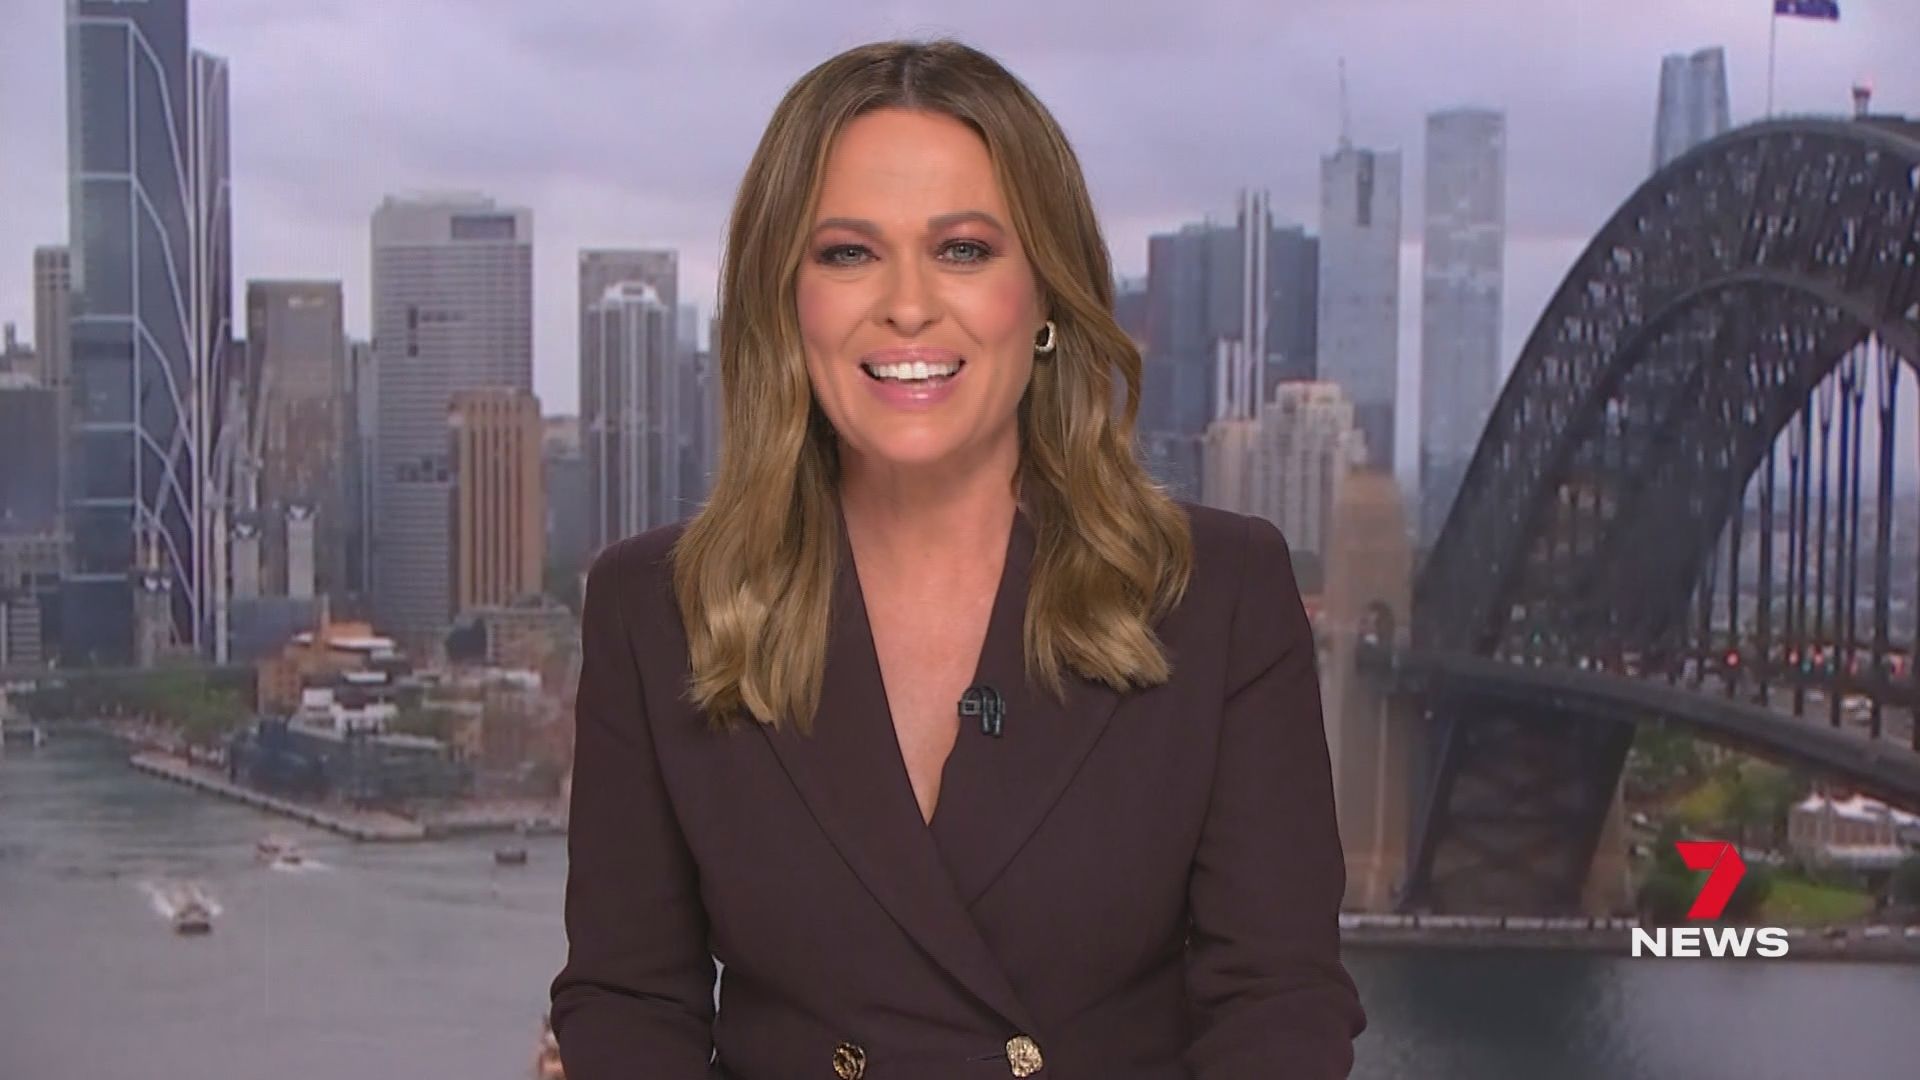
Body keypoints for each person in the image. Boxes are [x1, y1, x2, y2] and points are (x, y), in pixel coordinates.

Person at [549, 38, 1366, 1080]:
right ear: (785, 301)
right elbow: (629, 1004)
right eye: (849, 253)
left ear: (1045, 299)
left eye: (964, 250)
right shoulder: (655, 608)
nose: (907, 304)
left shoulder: (1218, 595)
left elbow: (1278, 1007)